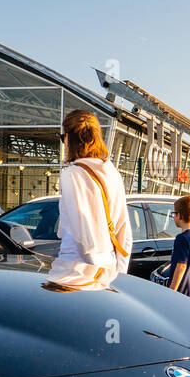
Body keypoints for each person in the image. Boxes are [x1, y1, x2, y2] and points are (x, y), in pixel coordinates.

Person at [43, 109, 132, 289]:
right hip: (107, 271)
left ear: (70, 138)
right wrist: (117, 274)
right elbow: (124, 230)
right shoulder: (112, 172)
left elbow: (82, 233)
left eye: (63, 137)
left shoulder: (72, 174)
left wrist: (93, 275)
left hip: (76, 273)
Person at [168, 195, 190, 300]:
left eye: (174, 214)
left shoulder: (181, 238)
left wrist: (171, 291)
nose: (174, 217)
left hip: (182, 293)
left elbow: (181, 266)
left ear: (180, 215)